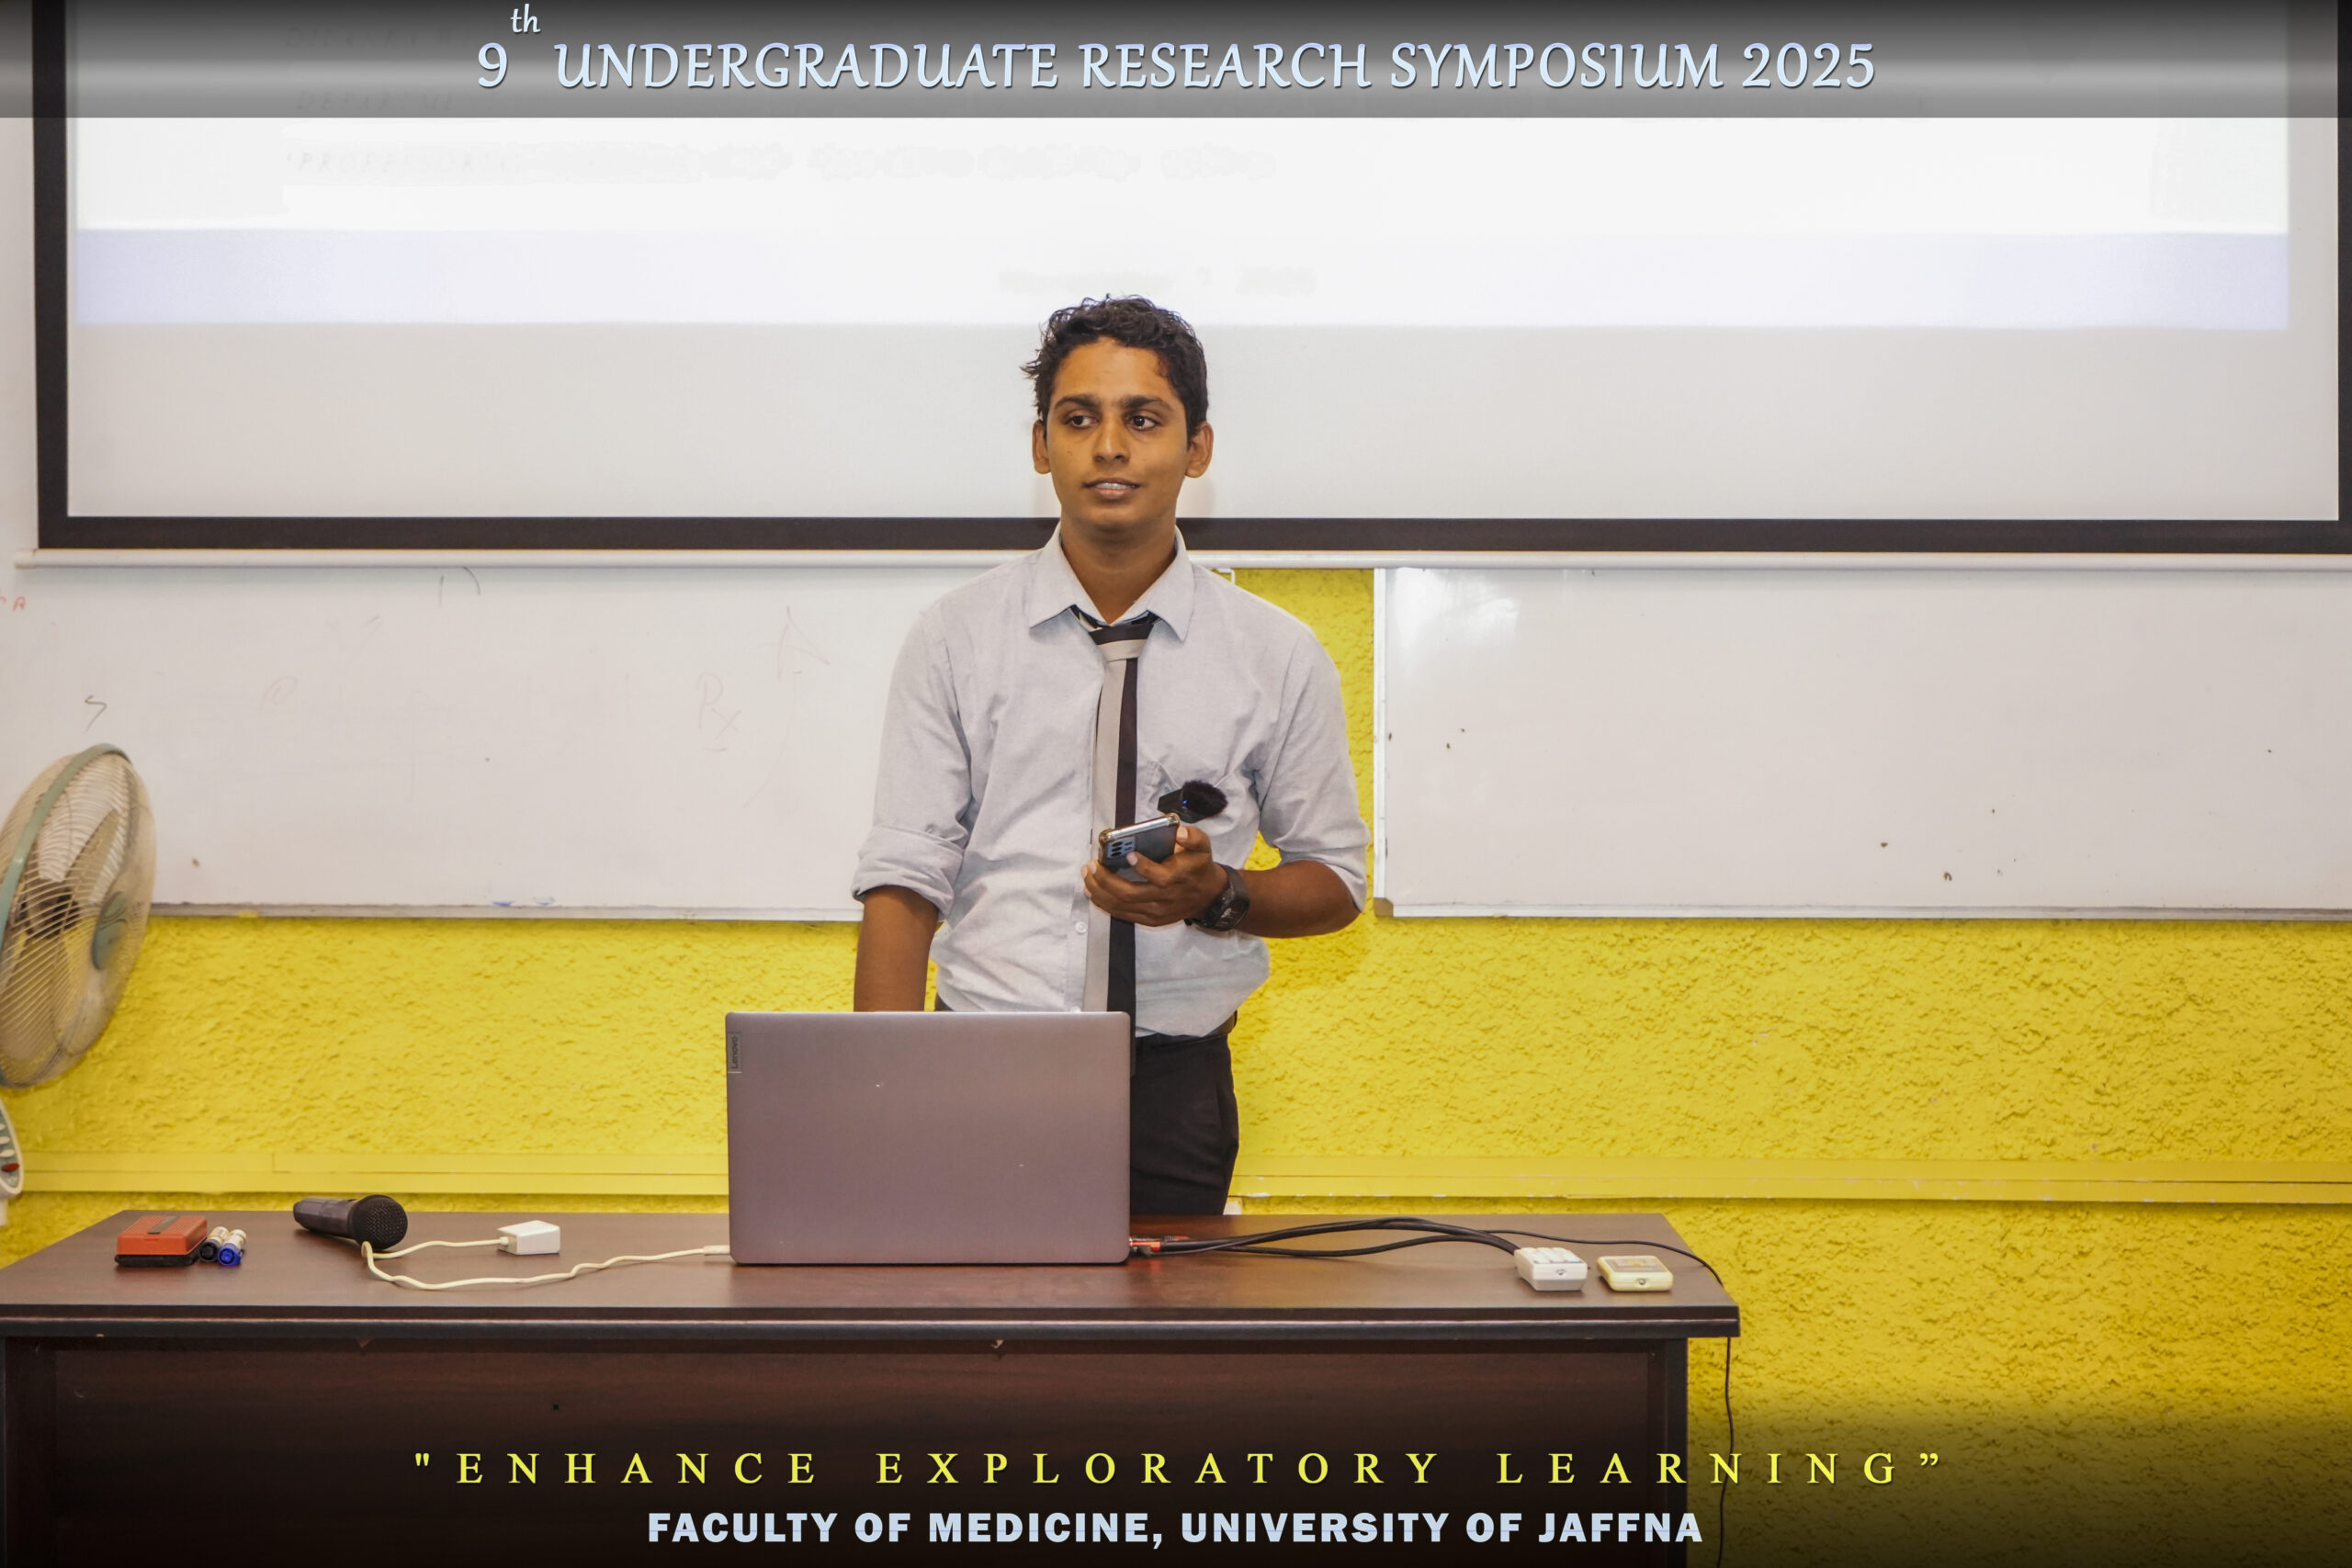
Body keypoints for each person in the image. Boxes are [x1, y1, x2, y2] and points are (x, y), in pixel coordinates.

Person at [850, 296, 1368, 1215]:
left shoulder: (1277, 655)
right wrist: (880, 1093)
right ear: (1041, 445)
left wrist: (1217, 894)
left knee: (1167, 1316)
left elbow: (1334, 882)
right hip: (980, 1063)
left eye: (1144, 419)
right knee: (962, 1310)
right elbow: (905, 874)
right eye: (1079, 418)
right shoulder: (955, 637)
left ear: (1197, 448)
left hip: (1175, 1085)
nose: (1110, 447)